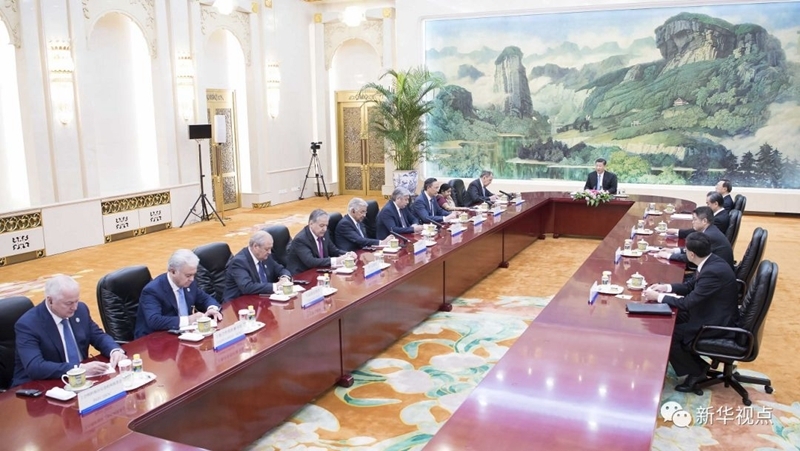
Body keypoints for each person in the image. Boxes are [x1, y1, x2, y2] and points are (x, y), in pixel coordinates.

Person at [644, 233, 738, 393]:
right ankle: (697, 365)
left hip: (715, 321)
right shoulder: (710, 261)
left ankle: (696, 371)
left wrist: (658, 297)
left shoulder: (712, 272)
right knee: (668, 319)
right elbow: (690, 286)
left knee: (670, 334)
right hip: (707, 310)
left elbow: (687, 303)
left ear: (692, 254)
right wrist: (666, 288)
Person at [12, 275, 126, 386]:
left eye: (76, 301)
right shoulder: (28, 325)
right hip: (40, 386)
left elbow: (98, 336)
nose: (75, 307)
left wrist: (114, 350)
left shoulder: (80, 310)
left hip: (82, 382)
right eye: (69, 303)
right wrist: (78, 369)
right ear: (50, 301)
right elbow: (35, 367)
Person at [135, 249, 223, 338]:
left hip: (184, 334)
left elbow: (205, 299)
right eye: (188, 275)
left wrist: (212, 308)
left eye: (194, 275)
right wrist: (189, 319)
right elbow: (154, 321)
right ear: (173, 271)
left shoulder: (189, 283)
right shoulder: (152, 290)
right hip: (155, 338)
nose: (192, 279)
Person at [223, 230, 293, 302]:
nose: (269, 252)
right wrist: (276, 286)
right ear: (255, 246)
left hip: (261, 299)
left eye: (270, 249)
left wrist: (285, 278)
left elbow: (280, 269)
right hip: (237, 303)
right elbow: (247, 287)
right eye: (267, 249)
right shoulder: (239, 262)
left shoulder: (265, 256)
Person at [657, 206, 734, 269]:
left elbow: (692, 257)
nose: (692, 222)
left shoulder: (709, 236)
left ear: (704, 221)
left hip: (716, 273)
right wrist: (673, 250)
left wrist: (668, 256)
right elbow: (693, 251)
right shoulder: (710, 230)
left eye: (695, 219)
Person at [285, 209, 356, 274]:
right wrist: (336, 260)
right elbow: (311, 262)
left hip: (319, 271)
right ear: (311, 224)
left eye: (326, 225)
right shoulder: (300, 240)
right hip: (302, 276)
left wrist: (347, 254)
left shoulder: (324, 233)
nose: (325, 229)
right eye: (321, 225)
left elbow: (334, 250)